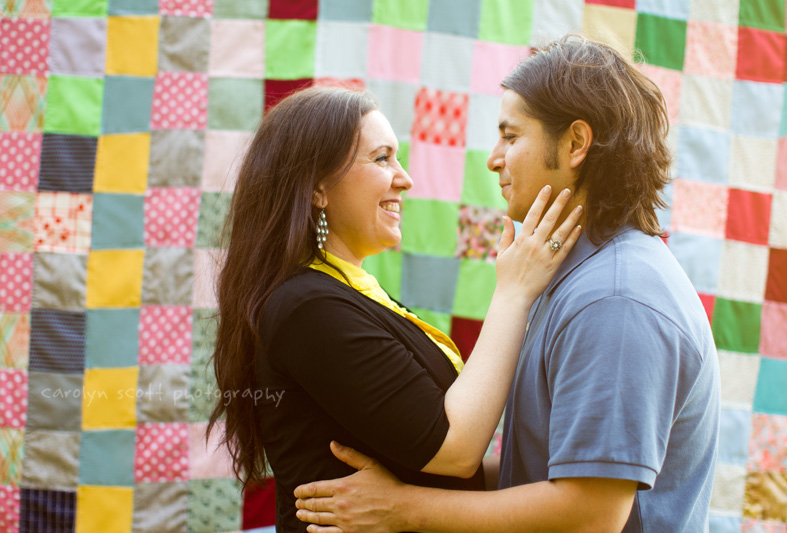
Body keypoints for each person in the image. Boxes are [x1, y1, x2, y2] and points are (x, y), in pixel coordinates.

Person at [294, 35, 721, 532]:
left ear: (576, 143)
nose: (494, 157)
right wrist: (401, 484)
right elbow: (537, 475)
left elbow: (590, 514)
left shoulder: (614, 299)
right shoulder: (571, 278)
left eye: (511, 136)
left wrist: (401, 509)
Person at [207, 86, 583, 532]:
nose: (404, 179)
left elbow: (440, 475)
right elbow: (456, 451)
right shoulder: (306, 308)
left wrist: (579, 481)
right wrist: (513, 291)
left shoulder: (351, 295)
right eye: (382, 158)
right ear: (318, 188)